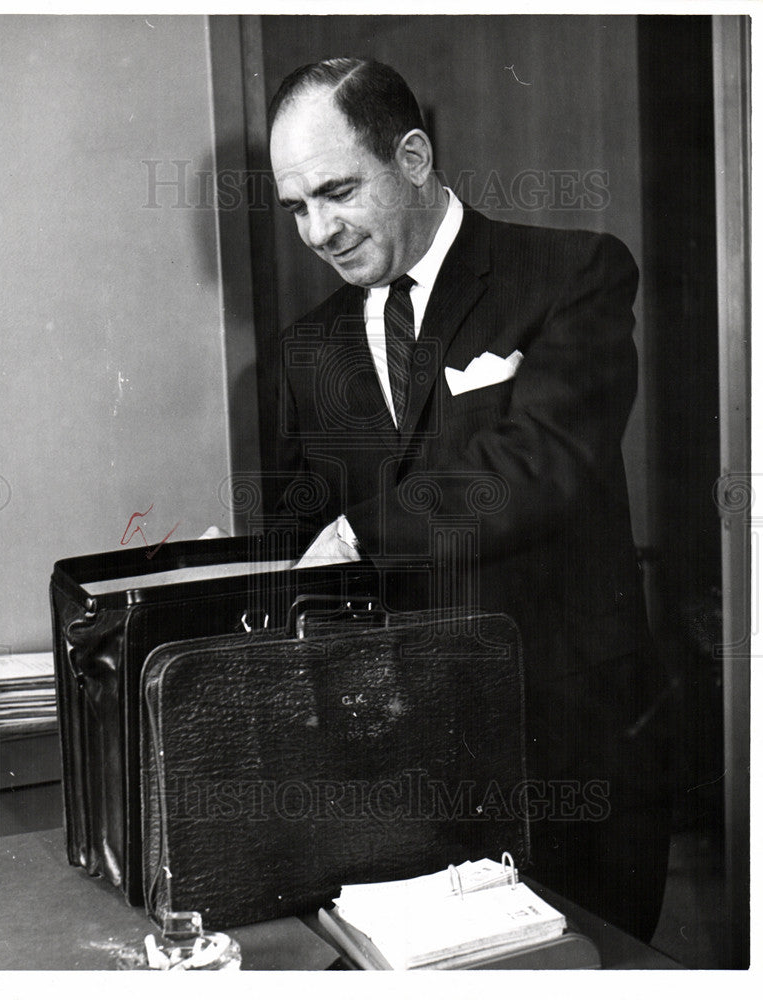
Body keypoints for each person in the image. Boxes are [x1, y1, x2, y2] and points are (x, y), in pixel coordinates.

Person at [267, 56, 671, 942]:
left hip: (569, 751)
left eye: (337, 192)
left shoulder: (572, 274)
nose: (318, 232)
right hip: (398, 781)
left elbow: (541, 466)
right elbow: (303, 540)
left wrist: (359, 537)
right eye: (296, 207)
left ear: (413, 157)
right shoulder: (304, 350)